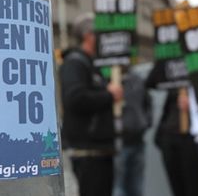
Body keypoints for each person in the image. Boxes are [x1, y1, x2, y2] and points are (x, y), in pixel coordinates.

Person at [59, 13, 123, 196]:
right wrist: (108, 95)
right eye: (100, 34)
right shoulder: (74, 63)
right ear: (88, 35)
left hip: (100, 149)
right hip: (87, 151)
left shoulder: (91, 64)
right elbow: (75, 98)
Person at [146, 67, 198, 196]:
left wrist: (193, 101)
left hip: (192, 137)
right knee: (177, 187)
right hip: (169, 136)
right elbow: (150, 82)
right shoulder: (171, 70)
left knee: (194, 186)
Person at [113, 68, 152, 196]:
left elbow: (147, 102)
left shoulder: (136, 78)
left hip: (137, 140)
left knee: (137, 187)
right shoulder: (109, 78)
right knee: (118, 188)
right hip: (117, 143)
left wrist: (145, 122)